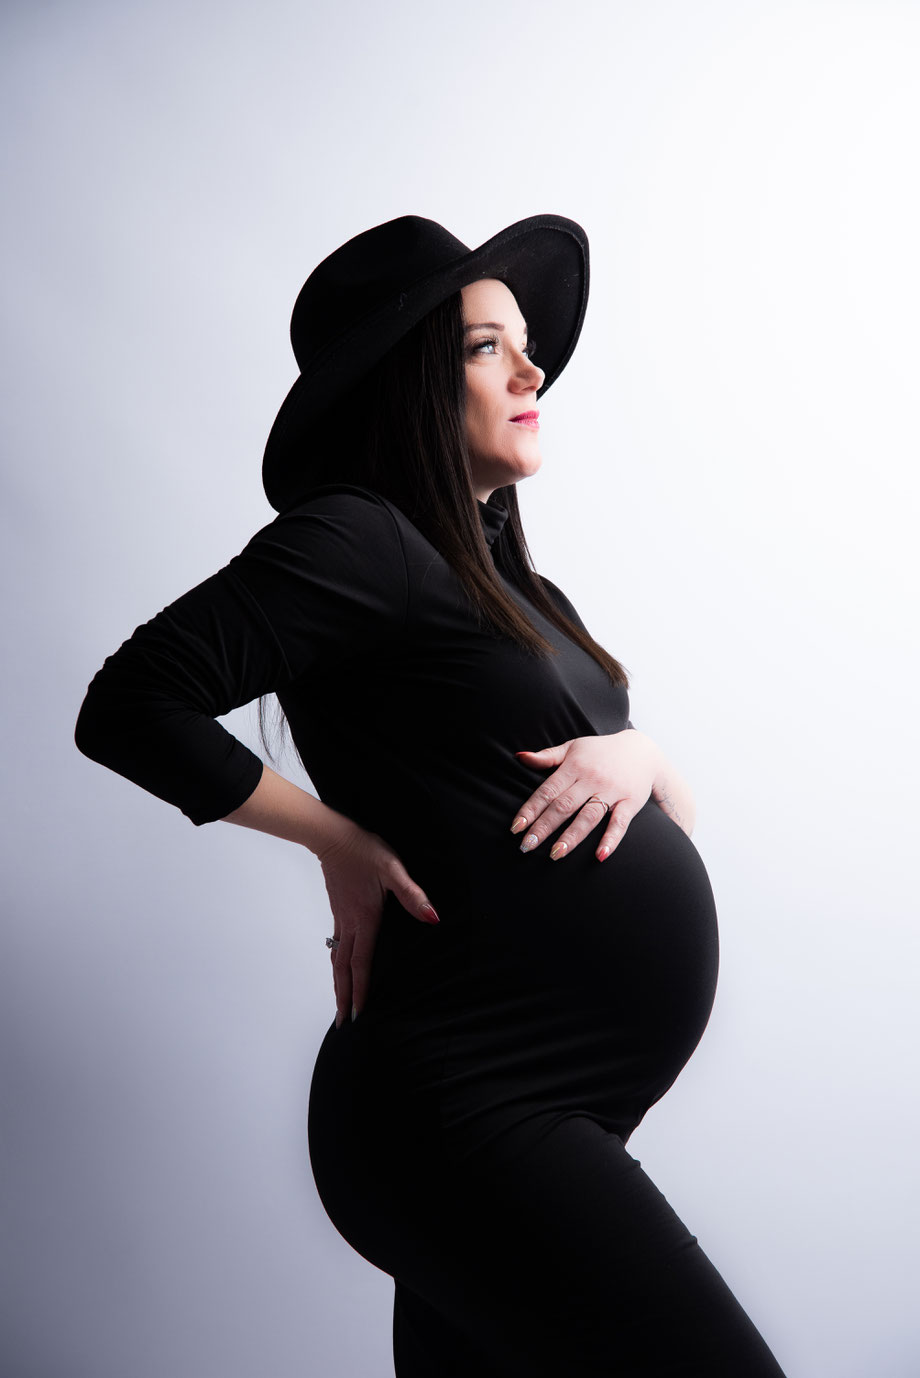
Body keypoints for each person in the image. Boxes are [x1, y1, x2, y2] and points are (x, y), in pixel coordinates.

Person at [74, 214, 787, 1376]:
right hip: (464, 1106)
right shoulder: (362, 540)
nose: (529, 368)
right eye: (483, 347)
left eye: (525, 344)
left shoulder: (518, 584)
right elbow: (131, 701)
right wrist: (332, 838)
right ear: (410, 380)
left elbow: (652, 823)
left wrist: (639, 754)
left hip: (528, 1113)